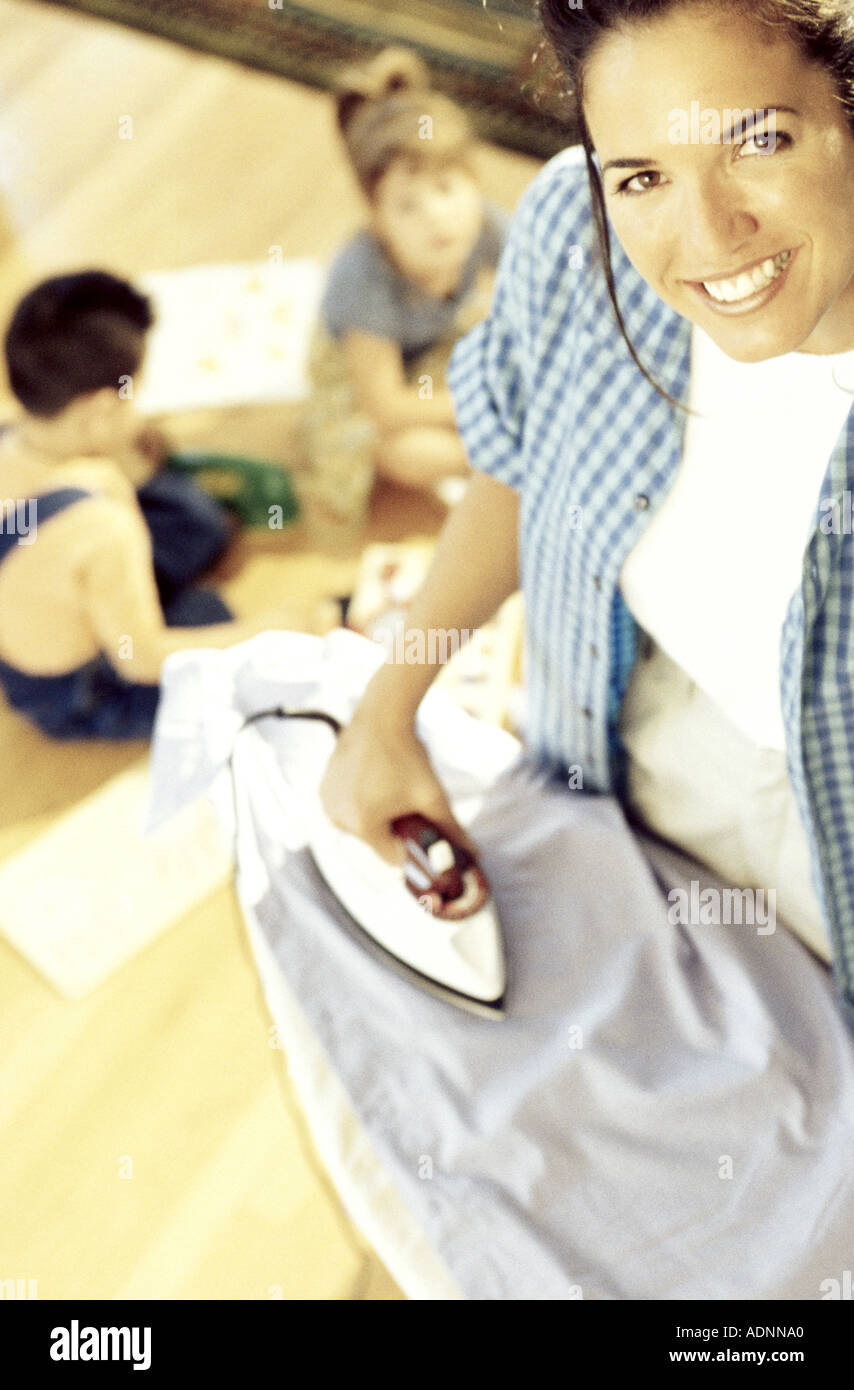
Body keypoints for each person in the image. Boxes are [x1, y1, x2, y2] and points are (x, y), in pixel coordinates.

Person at [319, 0, 854, 1030]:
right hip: (631, 755)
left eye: (758, 141)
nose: (703, 239)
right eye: (642, 175)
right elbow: (516, 468)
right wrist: (385, 712)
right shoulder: (574, 232)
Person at [0, 270, 322, 739]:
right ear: (98, 412)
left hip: (30, 621)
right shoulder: (103, 528)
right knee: (225, 643)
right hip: (80, 690)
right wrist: (270, 631)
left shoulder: (15, 430)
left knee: (195, 524)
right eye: (134, 395)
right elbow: (141, 660)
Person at [299, 46, 509, 526]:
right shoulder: (363, 276)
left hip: (434, 350)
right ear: (377, 219)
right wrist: (484, 409)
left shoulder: (485, 225)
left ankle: (496, 446)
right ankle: (501, 459)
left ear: (474, 183)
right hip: (364, 385)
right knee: (405, 452)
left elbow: (546, 284)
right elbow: (387, 407)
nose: (437, 216)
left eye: (447, 189)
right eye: (408, 206)